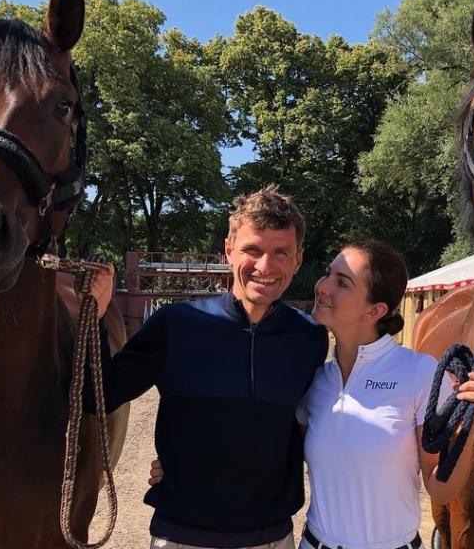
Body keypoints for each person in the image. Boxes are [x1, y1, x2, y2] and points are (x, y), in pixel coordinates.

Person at [100, 185, 329, 549]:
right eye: (252, 250)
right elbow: (100, 395)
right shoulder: (176, 325)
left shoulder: (310, 339)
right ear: (228, 251)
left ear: (298, 260)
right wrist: (95, 316)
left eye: (280, 253)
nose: (265, 266)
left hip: (271, 538)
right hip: (182, 535)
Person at [296, 241, 474, 549]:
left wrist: (470, 429)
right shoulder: (316, 380)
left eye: (341, 283)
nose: (323, 287)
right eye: (327, 274)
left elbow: (440, 491)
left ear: (375, 310)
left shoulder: (418, 374)